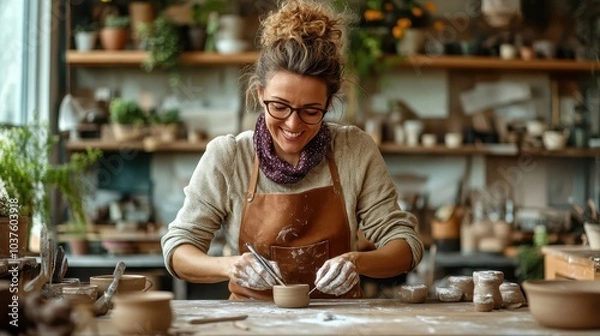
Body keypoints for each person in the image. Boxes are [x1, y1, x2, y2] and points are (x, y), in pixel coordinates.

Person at [161, 0, 424, 300]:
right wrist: (231, 266)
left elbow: (405, 244)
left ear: (328, 104)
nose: (293, 124)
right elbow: (178, 249)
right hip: (253, 321)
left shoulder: (354, 150)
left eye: (311, 110)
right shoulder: (229, 157)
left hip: (340, 321)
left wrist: (356, 262)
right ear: (260, 94)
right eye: (280, 106)